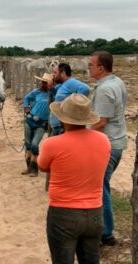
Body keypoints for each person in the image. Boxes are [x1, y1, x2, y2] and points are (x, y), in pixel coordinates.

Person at [38, 94, 110, 264]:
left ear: (63, 119)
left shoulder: (52, 143)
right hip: (95, 212)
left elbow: (42, 166)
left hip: (63, 212)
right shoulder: (104, 140)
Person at [89, 50, 128, 246]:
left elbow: (101, 121)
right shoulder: (117, 82)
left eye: (91, 65)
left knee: (100, 188)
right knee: (102, 186)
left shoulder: (104, 90)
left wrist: (81, 131)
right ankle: (106, 231)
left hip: (107, 144)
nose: (88, 68)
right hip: (117, 141)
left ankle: (106, 234)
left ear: (101, 68)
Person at [21, 73, 54, 177]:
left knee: (35, 144)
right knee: (28, 144)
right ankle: (29, 168)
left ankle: (34, 169)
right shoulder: (36, 92)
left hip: (41, 123)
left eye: (45, 82)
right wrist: (26, 108)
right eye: (43, 82)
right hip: (30, 120)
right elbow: (26, 98)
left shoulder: (51, 94)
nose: (43, 83)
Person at [49, 63, 90, 136]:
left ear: (63, 73)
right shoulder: (62, 84)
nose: (53, 75)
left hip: (62, 126)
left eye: (55, 72)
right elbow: (59, 97)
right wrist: (52, 88)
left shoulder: (71, 82)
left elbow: (85, 89)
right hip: (57, 125)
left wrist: (76, 103)